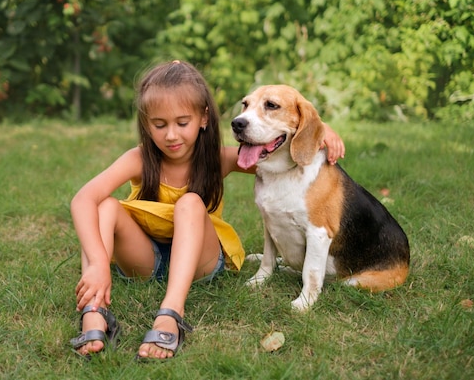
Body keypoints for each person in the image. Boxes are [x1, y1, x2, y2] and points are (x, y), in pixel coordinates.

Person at [70, 60, 345, 361]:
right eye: (159, 125)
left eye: (182, 123)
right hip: (146, 259)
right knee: (106, 206)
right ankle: (93, 311)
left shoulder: (218, 158)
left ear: (203, 118)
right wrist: (98, 263)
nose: (171, 135)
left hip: (200, 262)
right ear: (146, 123)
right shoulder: (139, 158)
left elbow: (289, 152)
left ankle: (171, 313)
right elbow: (82, 199)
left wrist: (318, 129)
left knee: (189, 202)